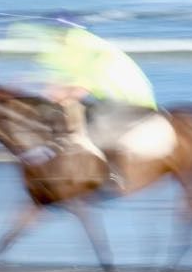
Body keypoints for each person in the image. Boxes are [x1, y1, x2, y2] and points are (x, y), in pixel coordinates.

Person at [11, 13, 169, 188]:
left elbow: (77, 90)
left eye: (62, 33)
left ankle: (113, 175)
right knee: (66, 112)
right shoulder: (74, 50)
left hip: (132, 101)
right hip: (110, 99)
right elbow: (57, 82)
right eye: (56, 32)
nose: (57, 37)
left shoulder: (93, 53)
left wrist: (48, 96)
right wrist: (26, 83)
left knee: (93, 126)